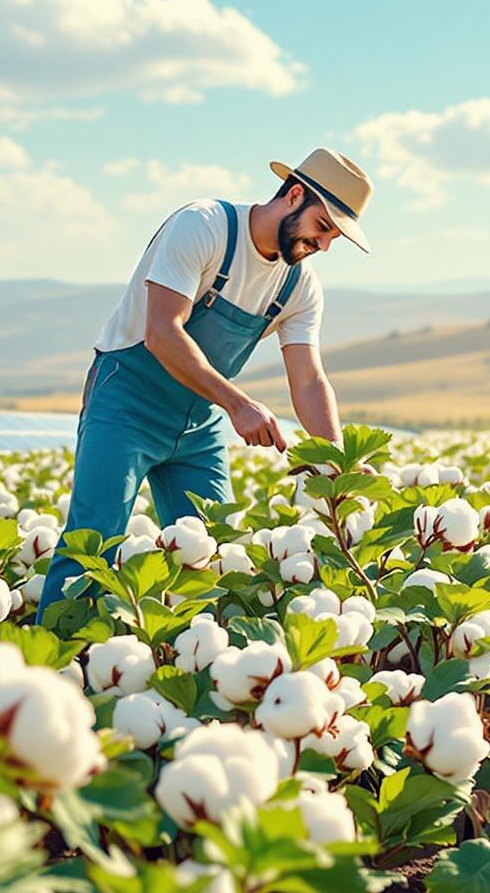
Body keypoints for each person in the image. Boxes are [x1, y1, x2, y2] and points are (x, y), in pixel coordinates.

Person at [40, 148, 370, 608]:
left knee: (214, 559)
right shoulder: (204, 226)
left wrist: (337, 462)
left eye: (335, 236)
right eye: (323, 227)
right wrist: (238, 404)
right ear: (295, 196)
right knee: (91, 545)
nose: (325, 245)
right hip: (126, 402)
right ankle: (55, 669)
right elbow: (161, 332)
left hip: (199, 420)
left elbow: (309, 380)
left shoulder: (300, 286)